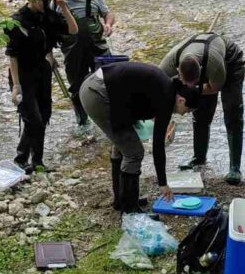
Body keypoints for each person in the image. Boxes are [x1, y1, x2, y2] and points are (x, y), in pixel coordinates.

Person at [79, 61, 200, 213]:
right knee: (134, 152)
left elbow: (137, 99)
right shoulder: (166, 98)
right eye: (187, 111)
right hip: (98, 94)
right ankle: (129, 208)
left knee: (123, 146)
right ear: (182, 100)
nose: (183, 114)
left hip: (99, 87)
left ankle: (121, 200)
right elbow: (158, 146)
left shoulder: (167, 87)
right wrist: (163, 183)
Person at [5, 0, 78, 174]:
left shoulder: (48, 16)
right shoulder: (17, 21)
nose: (44, 3)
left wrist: (63, 7)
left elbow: (73, 30)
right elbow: (12, 55)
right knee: (33, 119)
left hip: (42, 71)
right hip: (23, 75)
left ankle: (35, 161)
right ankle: (22, 158)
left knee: (43, 116)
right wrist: (16, 86)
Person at [159, 32, 245, 184]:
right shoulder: (170, 61)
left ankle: (235, 168)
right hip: (201, 63)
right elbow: (158, 88)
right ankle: (198, 158)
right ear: (178, 70)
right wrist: (164, 117)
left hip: (230, 61)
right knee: (200, 114)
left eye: (195, 83)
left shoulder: (214, 63)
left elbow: (214, 87)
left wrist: (195, 90)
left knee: (232, 112)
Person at [56, 0, 115, 129]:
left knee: (109, 83)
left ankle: (111, 119)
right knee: (77, 89)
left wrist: (108, 24)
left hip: (99, 49)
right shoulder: (58, 4)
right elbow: (50, 29)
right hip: (73, 53)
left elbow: (108, 14)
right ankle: (83, 124)